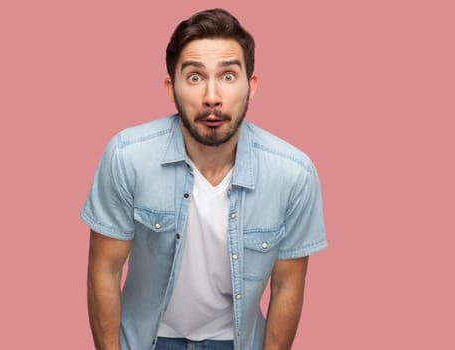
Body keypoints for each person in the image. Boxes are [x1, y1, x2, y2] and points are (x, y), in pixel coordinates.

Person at [81, 8, 327, 350]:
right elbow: (103, 271)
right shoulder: (128, 156)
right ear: (171, 88)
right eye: (195, 77)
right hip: (146, 341)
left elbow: (288, 285)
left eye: (228, 76)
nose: (212, 97)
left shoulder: (293, 174)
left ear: (251, 86)